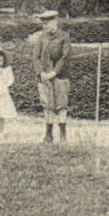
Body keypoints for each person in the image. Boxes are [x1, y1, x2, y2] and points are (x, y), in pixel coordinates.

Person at [26, 9, 71, 143]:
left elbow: (65, 56)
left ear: (55, 22)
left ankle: (63, 135)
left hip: (60, 76)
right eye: (43, 24)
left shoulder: (64, 36)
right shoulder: (41, 38)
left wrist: (54, 72)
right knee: (47, 105)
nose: (45, 26)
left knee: (61, 105)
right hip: (44, 77)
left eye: (48, 23)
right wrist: (41, 73)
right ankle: (48, 135)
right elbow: (36, 57)